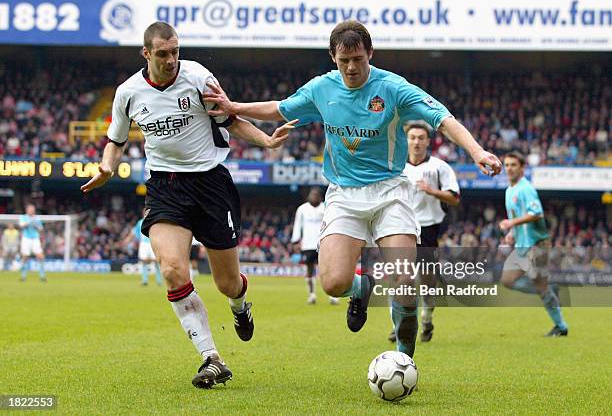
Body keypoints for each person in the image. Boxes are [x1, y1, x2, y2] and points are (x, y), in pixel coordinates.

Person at [204, 20, 501, 358]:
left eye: (358, 59)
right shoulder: (322, 89)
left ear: (370, 54)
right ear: (333, 57)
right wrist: (234, 107)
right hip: (344, 195)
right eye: (344, 60)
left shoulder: (393, 87)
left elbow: (442, 118)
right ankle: (363, 288)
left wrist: (477, 151)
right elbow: (279, 108)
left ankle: (404, 356)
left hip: (390, 192)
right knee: (333, 283)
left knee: (404, 283)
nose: (351, 67)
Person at [81, 21, 296, 389]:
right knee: (172, 270)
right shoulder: (128, 92)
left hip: (211, 183)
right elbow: (115, 140)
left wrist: (268, 142)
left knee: (227, 283)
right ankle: (211, 358)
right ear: (146, 54)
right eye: (162, 54)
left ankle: (240, 307)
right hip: (166, 186)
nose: (171, 60)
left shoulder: (198, 78)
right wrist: (107, 166)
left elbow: (231, 119)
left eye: (175, 51)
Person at [388, 122, 460, 343]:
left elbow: (455, 198)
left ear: (428, 141)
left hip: (428, 228)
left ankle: (427, 319)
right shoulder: (396, 166)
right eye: (412, 137)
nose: (416, 142)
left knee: (427, 281)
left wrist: (432, 191)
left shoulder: (440, 167)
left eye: (421, 138)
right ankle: (398, 325)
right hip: (401, 226)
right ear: (406, 140)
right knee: (397, 277)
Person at [499, 152, 568, 337]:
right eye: (507, 165)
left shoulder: (526, 188)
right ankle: (550, 290)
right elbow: (516, 216)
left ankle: (561, 326)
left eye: (513, 165)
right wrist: (512, 233)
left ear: (522, 168)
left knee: (539, 283)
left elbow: (536, 213)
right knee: (507, 280)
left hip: (538, 243)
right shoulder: (509, 190)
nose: (509, 168)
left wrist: (512, 224)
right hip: (522, 244)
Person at [291, 187, 339, 305]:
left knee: (327, 269)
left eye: (316, 195)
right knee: (309, 269)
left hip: (323, 243)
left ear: (320, 197)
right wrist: (295, 241)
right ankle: (312, 295)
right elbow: (298, 225)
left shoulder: (326, 208)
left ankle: (332, 296)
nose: (313, 197)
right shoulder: (302, 209)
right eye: (312, 194)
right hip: (307, 245)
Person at [122, 214, 162, 286]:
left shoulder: (154, 221)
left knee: (156, 261)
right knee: (143, 261)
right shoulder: (140, 222)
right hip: (143, 244)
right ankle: (145, 280)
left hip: (153, 242)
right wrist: (126, 241)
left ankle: (159, 281)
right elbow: (133, 233)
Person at [19, 204, 46, 282]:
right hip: (26, 238)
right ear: (27, 210)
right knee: (25, 257)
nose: (32, 211)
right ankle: (23, 276)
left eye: (33, 209)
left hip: (35, 238)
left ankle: (42, 276)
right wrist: (29, 222)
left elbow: (41, 228)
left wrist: (37, 225)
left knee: (41, 256)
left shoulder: (37, 218)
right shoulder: (23, 217)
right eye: (30, 209)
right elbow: (21, 226)